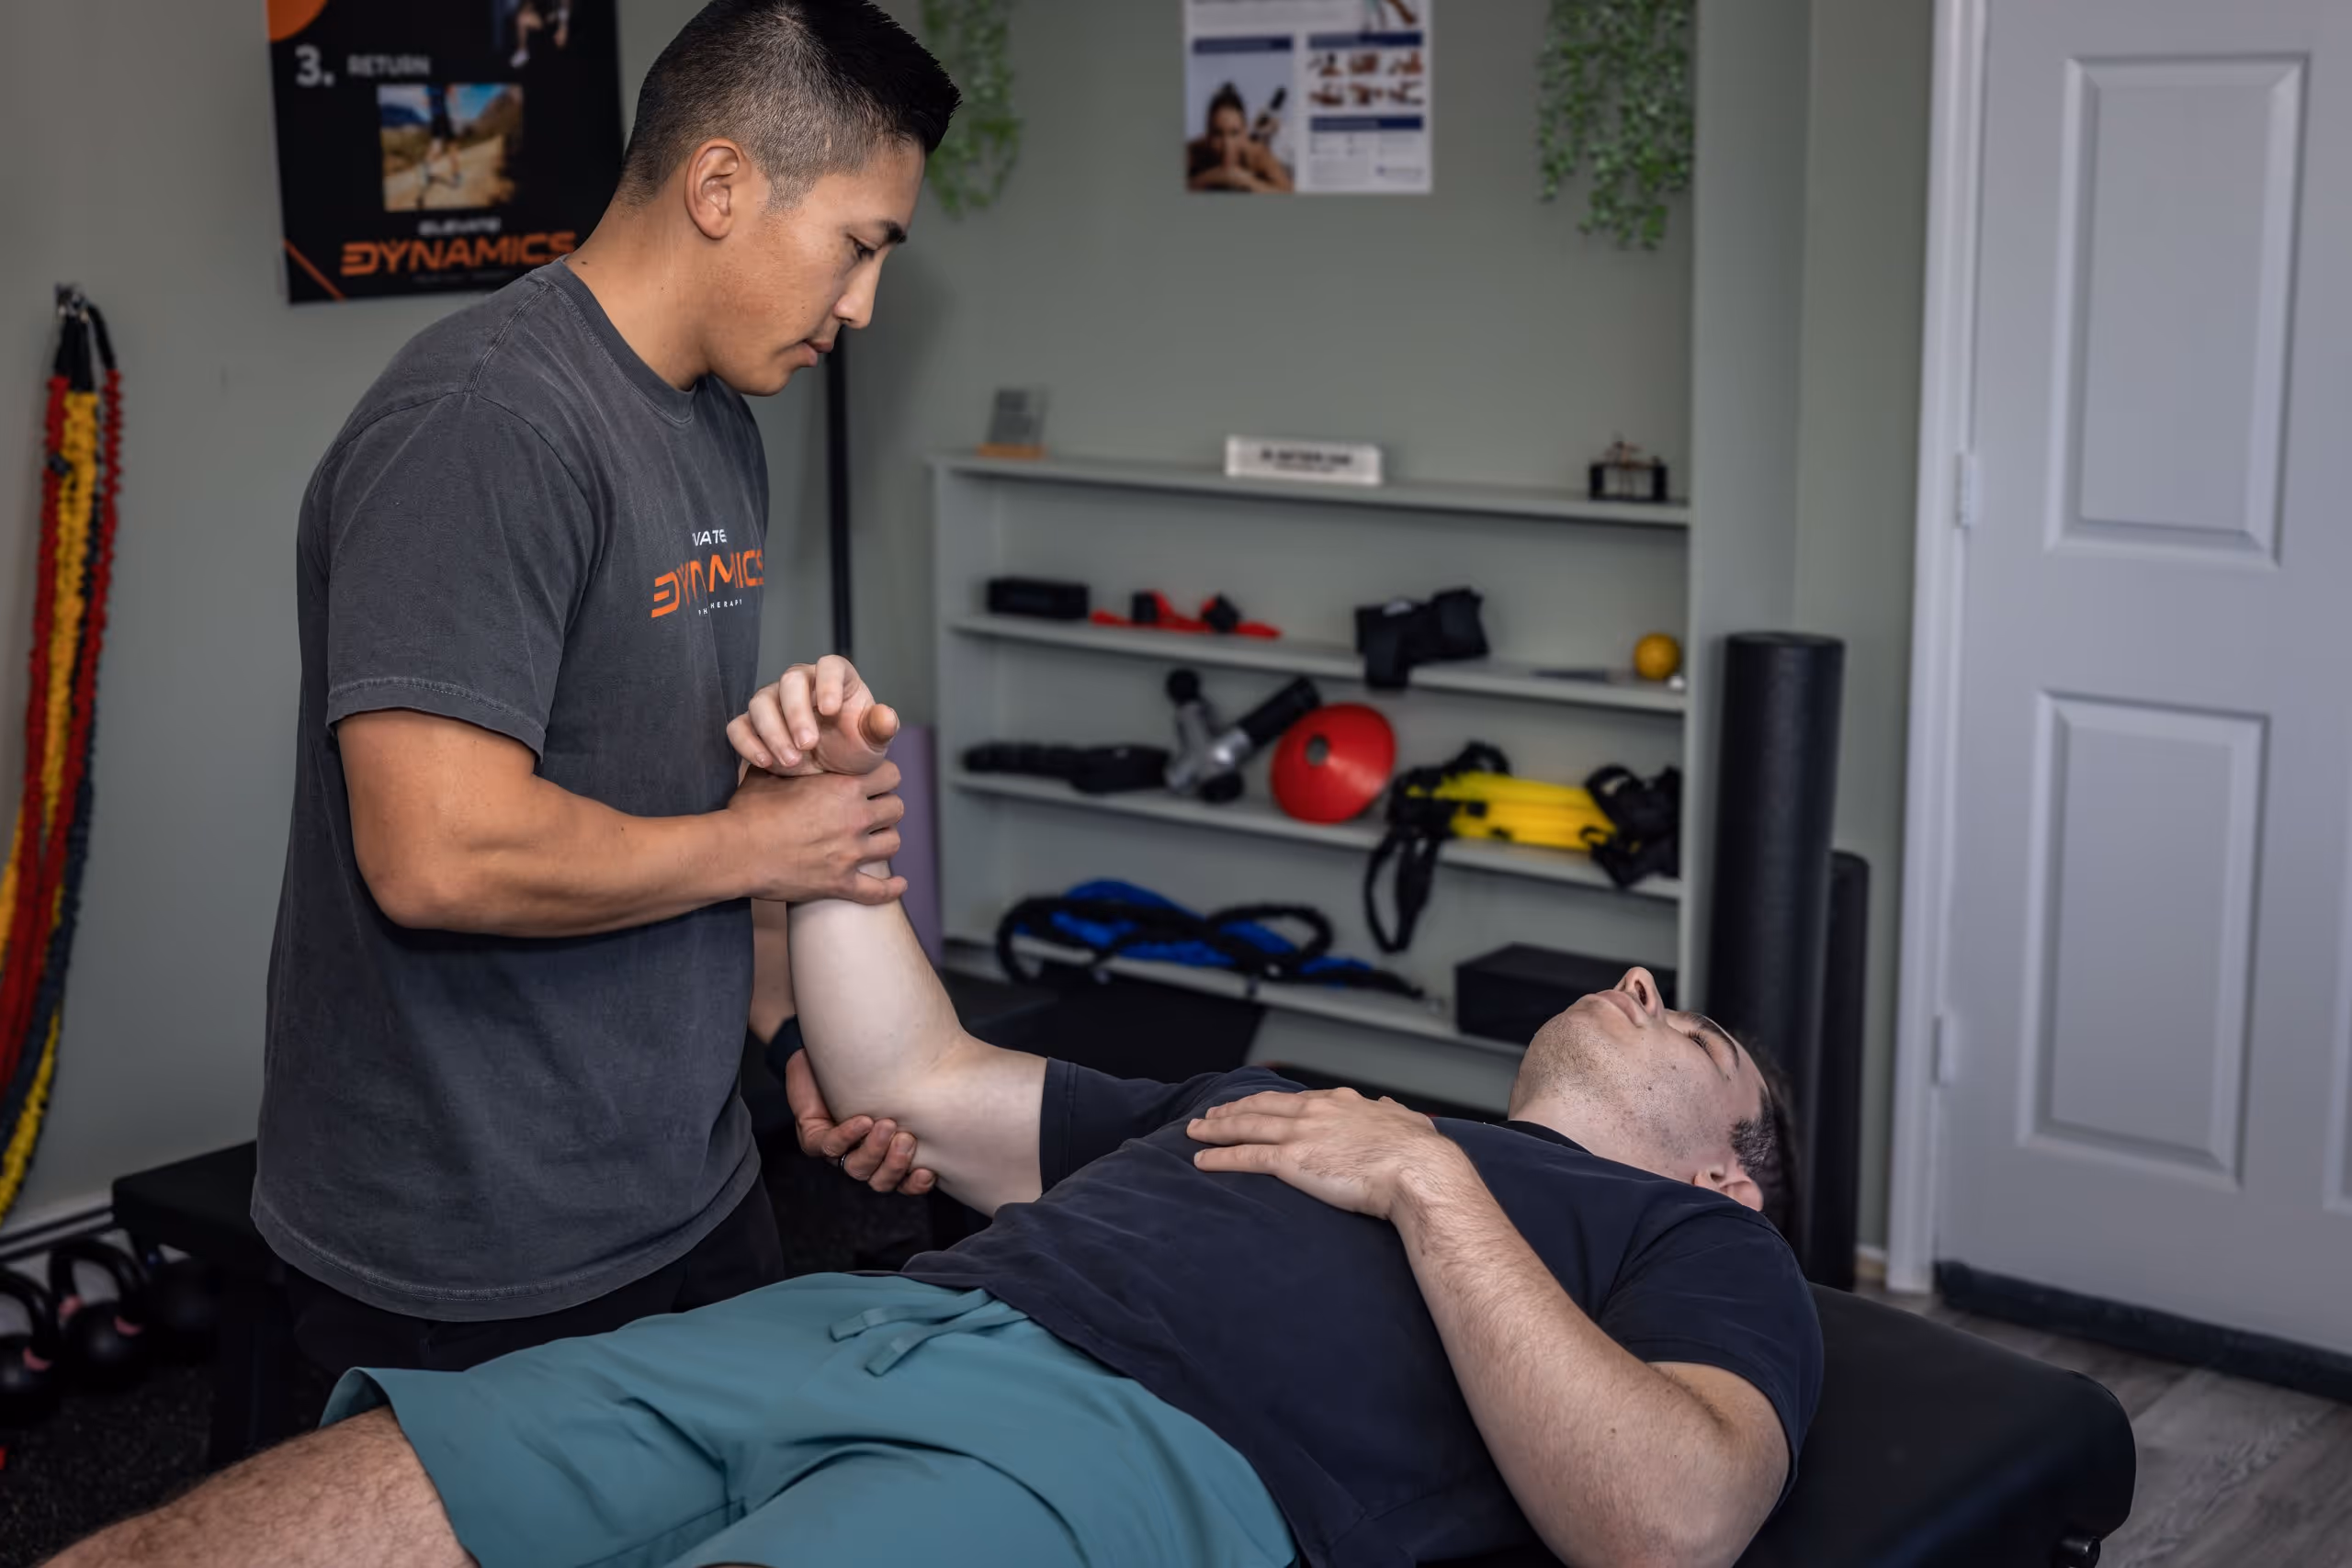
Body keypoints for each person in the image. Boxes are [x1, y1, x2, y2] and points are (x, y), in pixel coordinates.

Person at [78, 703, 1820, 1568]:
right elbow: (910, 1081)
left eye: (1701, 1029)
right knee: (270, 1522)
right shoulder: (1274, 1106)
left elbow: (1672, 1521)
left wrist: (1430, 1178)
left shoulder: (1699, 1250)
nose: (1647, 977)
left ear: (1727, 1163)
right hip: (852, 1329)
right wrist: (825, 825)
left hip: (1128, 1454)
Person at [254, 0, 957, 1386]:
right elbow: (437, 852)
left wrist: (794, 1036)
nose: (863, 305)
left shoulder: (713, 425)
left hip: (689, 1188)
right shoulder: (487, 422)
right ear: (719, 184)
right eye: (858, 248)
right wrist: (768, 841)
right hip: (469, 1244)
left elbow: (673, 806)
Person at [1187, 83, 1295, 193]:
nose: (1227, 146)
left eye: (1234, 133)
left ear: (1244, 133)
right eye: (1218, 134)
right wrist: (1216, 176)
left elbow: (1289, 193)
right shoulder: (1195, 151)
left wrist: (1244, 181)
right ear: (1208, 134)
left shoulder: (1256, 154)